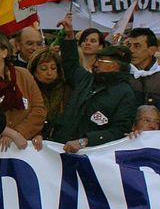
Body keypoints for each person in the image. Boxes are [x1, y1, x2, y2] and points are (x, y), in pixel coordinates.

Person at [52, 16, 137, 153]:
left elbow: (120, 130)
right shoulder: (87, 79)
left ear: (115, 66)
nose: (96, 64)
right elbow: (71, 65)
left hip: (92, 156)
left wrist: (86, 140)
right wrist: (69, 36)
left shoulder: (125, 93)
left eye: (102, 61)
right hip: (62, 146)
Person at [0, 32, 46, 152]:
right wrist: (5, 134)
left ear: (4, 52)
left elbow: (39, 110)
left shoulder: (23, 75)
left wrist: (18, 133)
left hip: (23, 145)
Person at [28, 47, 71, 141]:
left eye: (53, 68)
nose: (49, 73)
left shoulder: (67, 91)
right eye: (43, 69)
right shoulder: (28, 90)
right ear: (34, 71)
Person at [125, 28, 160, 109]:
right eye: (129, 45)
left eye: (137, 46)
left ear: (152, 50)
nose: (131, 50)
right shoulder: (122, 75)